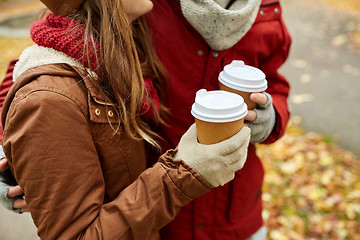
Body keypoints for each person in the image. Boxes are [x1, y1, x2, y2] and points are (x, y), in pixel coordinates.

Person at [0, 0, 291, 239]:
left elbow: (275, 85)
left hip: (235, 208)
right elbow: (36, 65)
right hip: (156, 209)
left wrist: (272, 116)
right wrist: (10, 147)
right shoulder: (149, 5)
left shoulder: (267, 11)